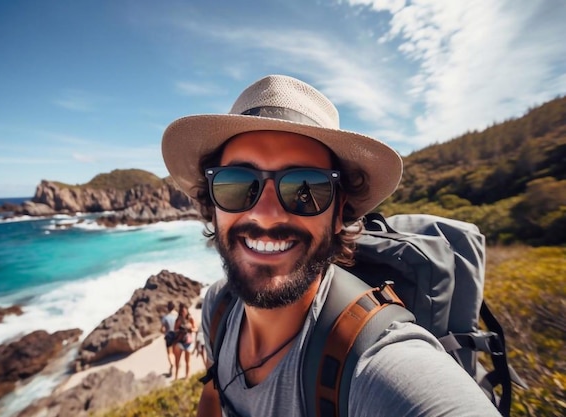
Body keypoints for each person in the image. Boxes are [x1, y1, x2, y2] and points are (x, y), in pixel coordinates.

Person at [161, 75, 501, 416]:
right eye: (237, 184)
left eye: (304, 187)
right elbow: (213, 394)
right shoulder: (218, 308)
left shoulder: (380, 363)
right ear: (213, 206)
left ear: (340, 213)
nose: (265, 215)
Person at [173, 302, 197, 380]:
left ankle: (187, 377)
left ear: (187, 311)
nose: (183, 313)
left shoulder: (190, 318)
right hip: (180, 341)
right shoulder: (178, 319)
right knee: (177, 360)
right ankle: (176, 377)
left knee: (187, 361)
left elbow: (195, 328)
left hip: (188, 342)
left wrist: (190, 329)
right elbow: (175, 330)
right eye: (181, 311)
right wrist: (180, 329)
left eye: (184, 311)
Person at [160, 300, 178, 376]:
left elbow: (162, 329)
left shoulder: (166, 317)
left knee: (170, 353)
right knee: (176, 353)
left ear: (168, 308)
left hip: (169, 336)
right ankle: (176, 367)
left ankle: (172, 364)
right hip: (177, 335)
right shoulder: (177, 316)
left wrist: (164, 332)